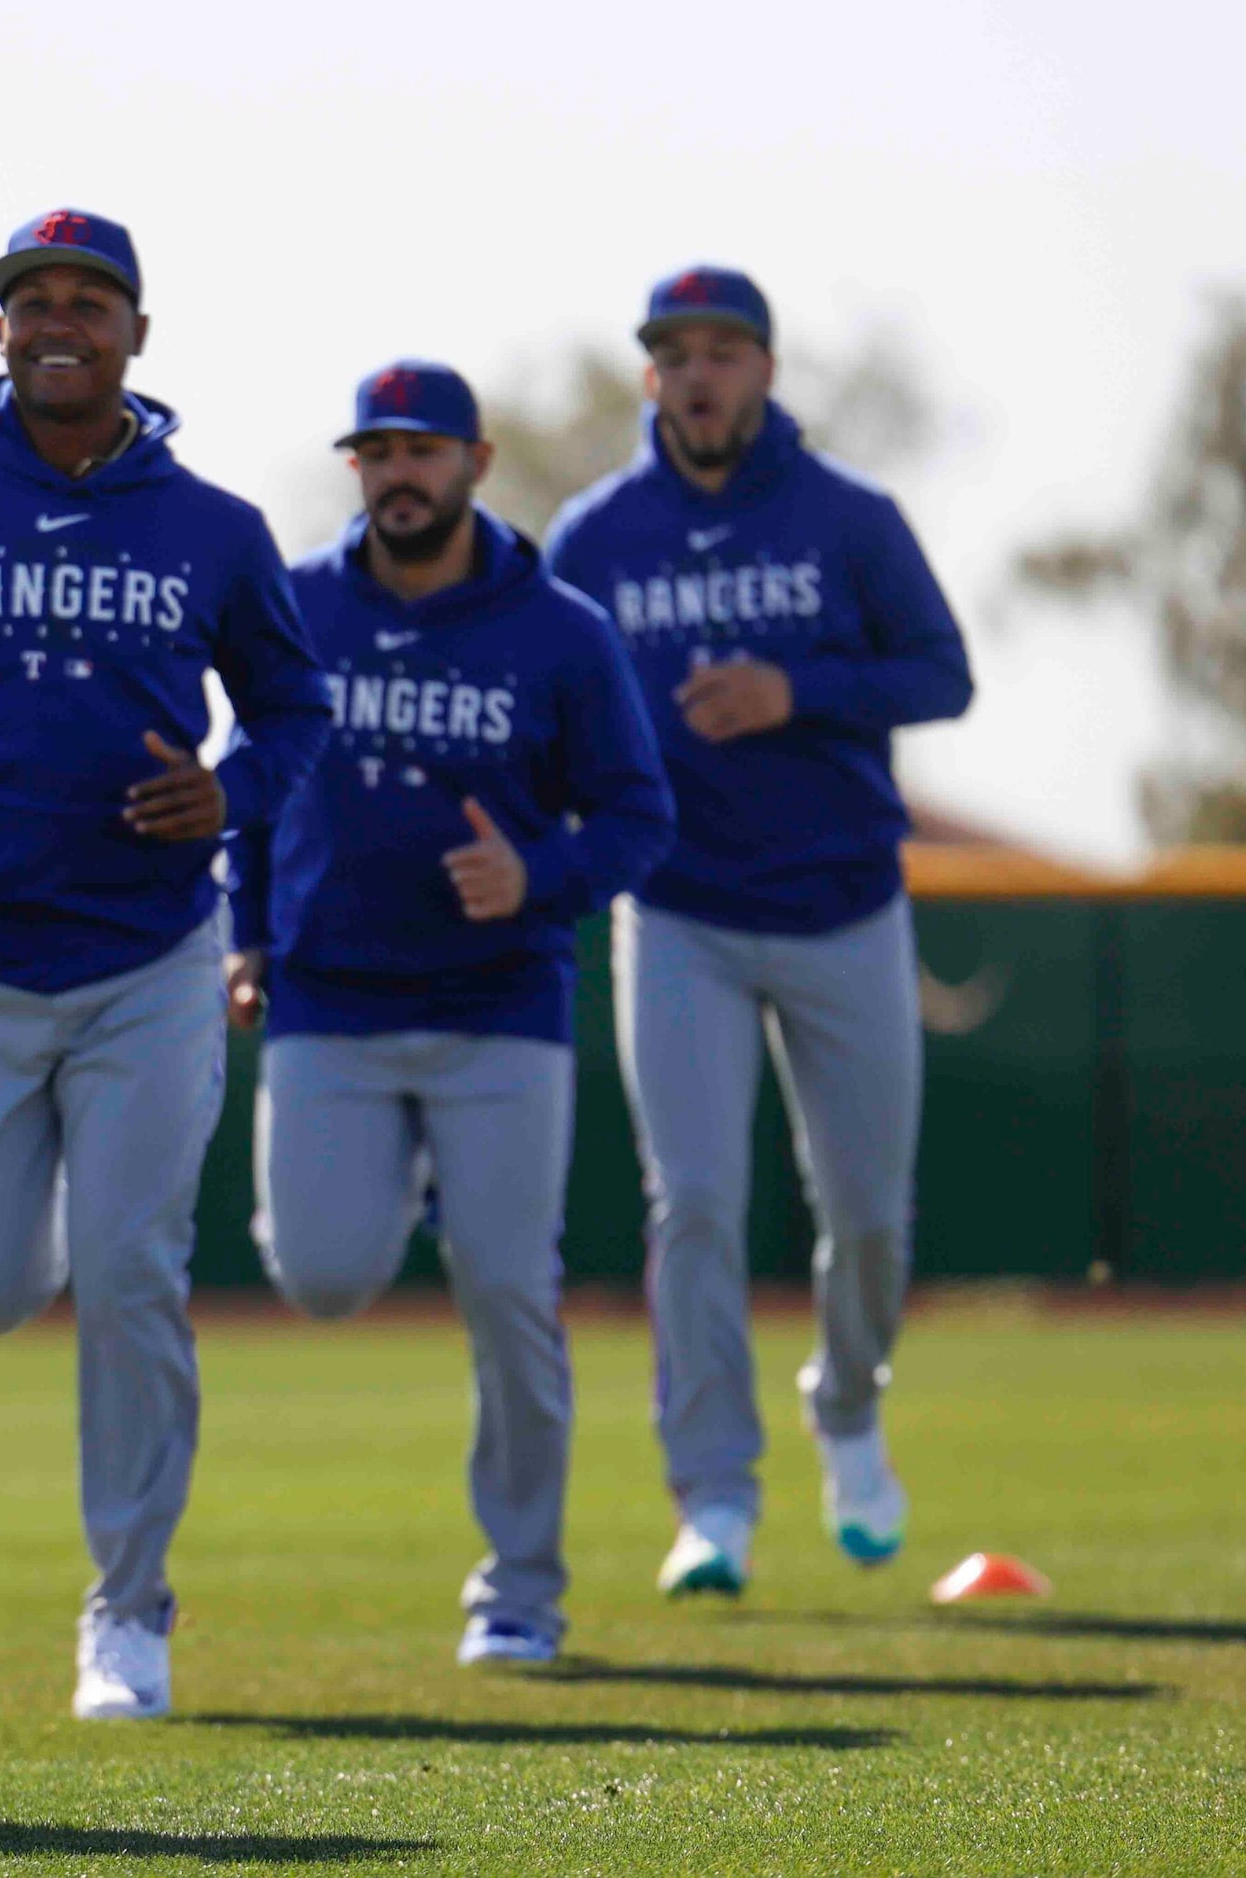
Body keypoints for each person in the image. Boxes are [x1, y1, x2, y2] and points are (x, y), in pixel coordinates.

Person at [0, 209, 329, 1721]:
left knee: (134, 1271)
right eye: (30, 299)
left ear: (136, 336)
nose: (58, 321)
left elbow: (295, 713)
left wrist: (235, 790)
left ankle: (131, 1605)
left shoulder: (216, 529)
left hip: (149, 960)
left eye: (88, 301)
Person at [226, 361, 672, 1666]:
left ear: (476, 461)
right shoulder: (296, 605)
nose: (399, 472)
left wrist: (541, 873)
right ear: (354, 467)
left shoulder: (560, 629)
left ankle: (521, 1586)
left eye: (424, 450)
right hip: (331, 1004)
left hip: (498, 1009)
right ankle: (418, 1190)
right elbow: (252, 784)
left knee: (508, 1291)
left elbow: (641, 818)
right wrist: (246, 935)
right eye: (376, 451)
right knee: (319, 1271)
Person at [543, 267, 974, 1596]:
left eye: (725, 350)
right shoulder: (596, 536)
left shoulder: (849, 518)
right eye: (676, 354)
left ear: (767, 373)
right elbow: (546, 703)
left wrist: (799, 687)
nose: (700, 374)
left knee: (869, 1215)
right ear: (650, 380)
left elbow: (942, 673)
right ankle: (714, 1495)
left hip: (845, 902)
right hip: (677, 911)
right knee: (697, 1206)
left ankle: (846, 1402)